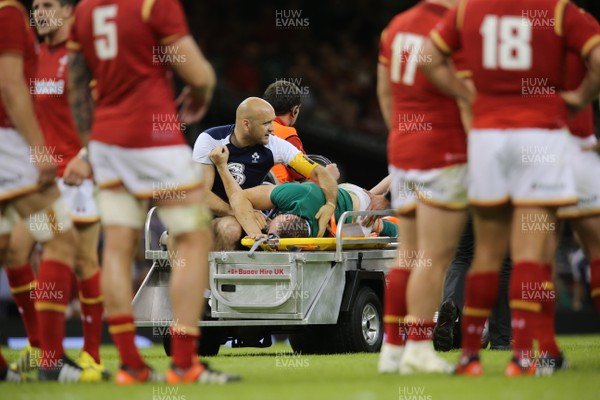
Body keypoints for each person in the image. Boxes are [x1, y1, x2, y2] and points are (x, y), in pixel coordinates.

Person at [422, 0, 600, 376]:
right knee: (532, 253)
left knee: (484, 252)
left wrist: (468, 96)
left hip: (488, 139)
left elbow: (428, 58)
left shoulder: (468, 11)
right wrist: (578, 99)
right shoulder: (559, 11)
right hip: (545, 136)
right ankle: (523, 356)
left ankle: (470, 356)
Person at [67, 0, 237, 384]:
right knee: (193, 237)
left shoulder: (85, 10)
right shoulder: (152, 4)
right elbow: (199, 74)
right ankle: (183, 362)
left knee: (116, 247)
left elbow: (75, 84)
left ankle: (131, 366)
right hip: (155, 141)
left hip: (106, 141)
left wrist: (89, 144)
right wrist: (201, 91)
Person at [0, 0, 101, 383]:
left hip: (77, 172)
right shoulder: (32, 56)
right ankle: (41, 347)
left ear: (68, 11)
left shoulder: (79, 58)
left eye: (48, 5)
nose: (39, 13)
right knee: (17, 252)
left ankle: (91, 355)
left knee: (83, 259)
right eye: (36, 6)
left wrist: (89, 156)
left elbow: (101, 110)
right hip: (39, 174)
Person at [376, 0, 469, 374]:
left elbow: (385, 94)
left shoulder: (395, 26)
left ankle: (393, 350)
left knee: (408, 254)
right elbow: (466, 96)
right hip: (443, 151)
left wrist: (402, 137)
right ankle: (418, 346)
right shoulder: (457, 25)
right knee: (435, 256)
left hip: (404, 149)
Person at [192, 97, 339, 249]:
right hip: (213, 215)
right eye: (266, 123)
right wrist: (240, 213)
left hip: (254, 216)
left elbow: (320, 172)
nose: (272, 128)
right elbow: (202, 195)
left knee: (285, 230)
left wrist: (330, 204)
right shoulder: (210, 140)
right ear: (246, 124)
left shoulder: (276, 145)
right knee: (230, 229)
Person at [209, 144, 397, 239]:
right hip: (349, 203)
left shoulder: (300, 196)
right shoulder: (298, 196)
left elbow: (239, 197)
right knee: (370, 208)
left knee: (369, 219)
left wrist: (253, 232)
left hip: (352, 209)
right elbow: (241, 198)